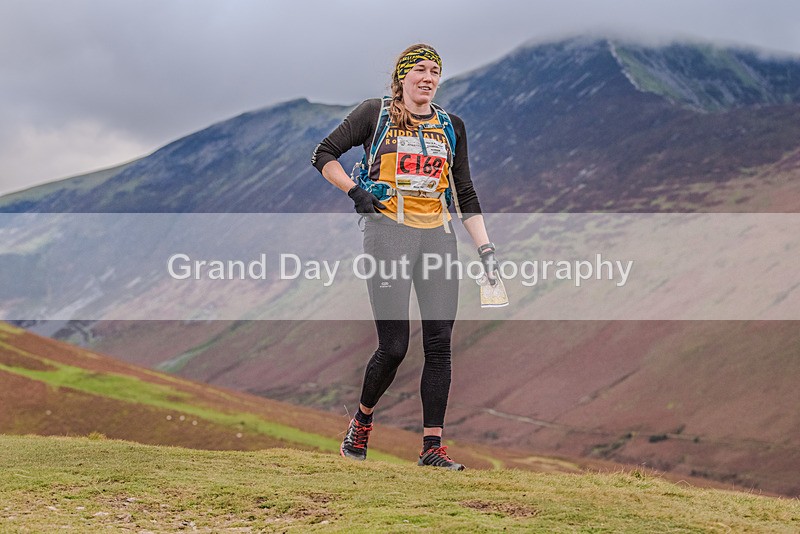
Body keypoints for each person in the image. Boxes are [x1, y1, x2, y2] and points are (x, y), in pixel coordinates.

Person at [311, 43, 499, 470]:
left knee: (439, 344)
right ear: (402, 78)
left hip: (437, 238)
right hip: (388, 236)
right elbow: (322, 154)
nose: (429, 76)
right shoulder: (373, 114)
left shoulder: (451, 126)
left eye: (436, 70)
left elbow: (464, 192)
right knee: (394, 347)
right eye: (420, 69)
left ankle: (432, 447)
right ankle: (361, 423)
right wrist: (355, 191)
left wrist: (485, 247)